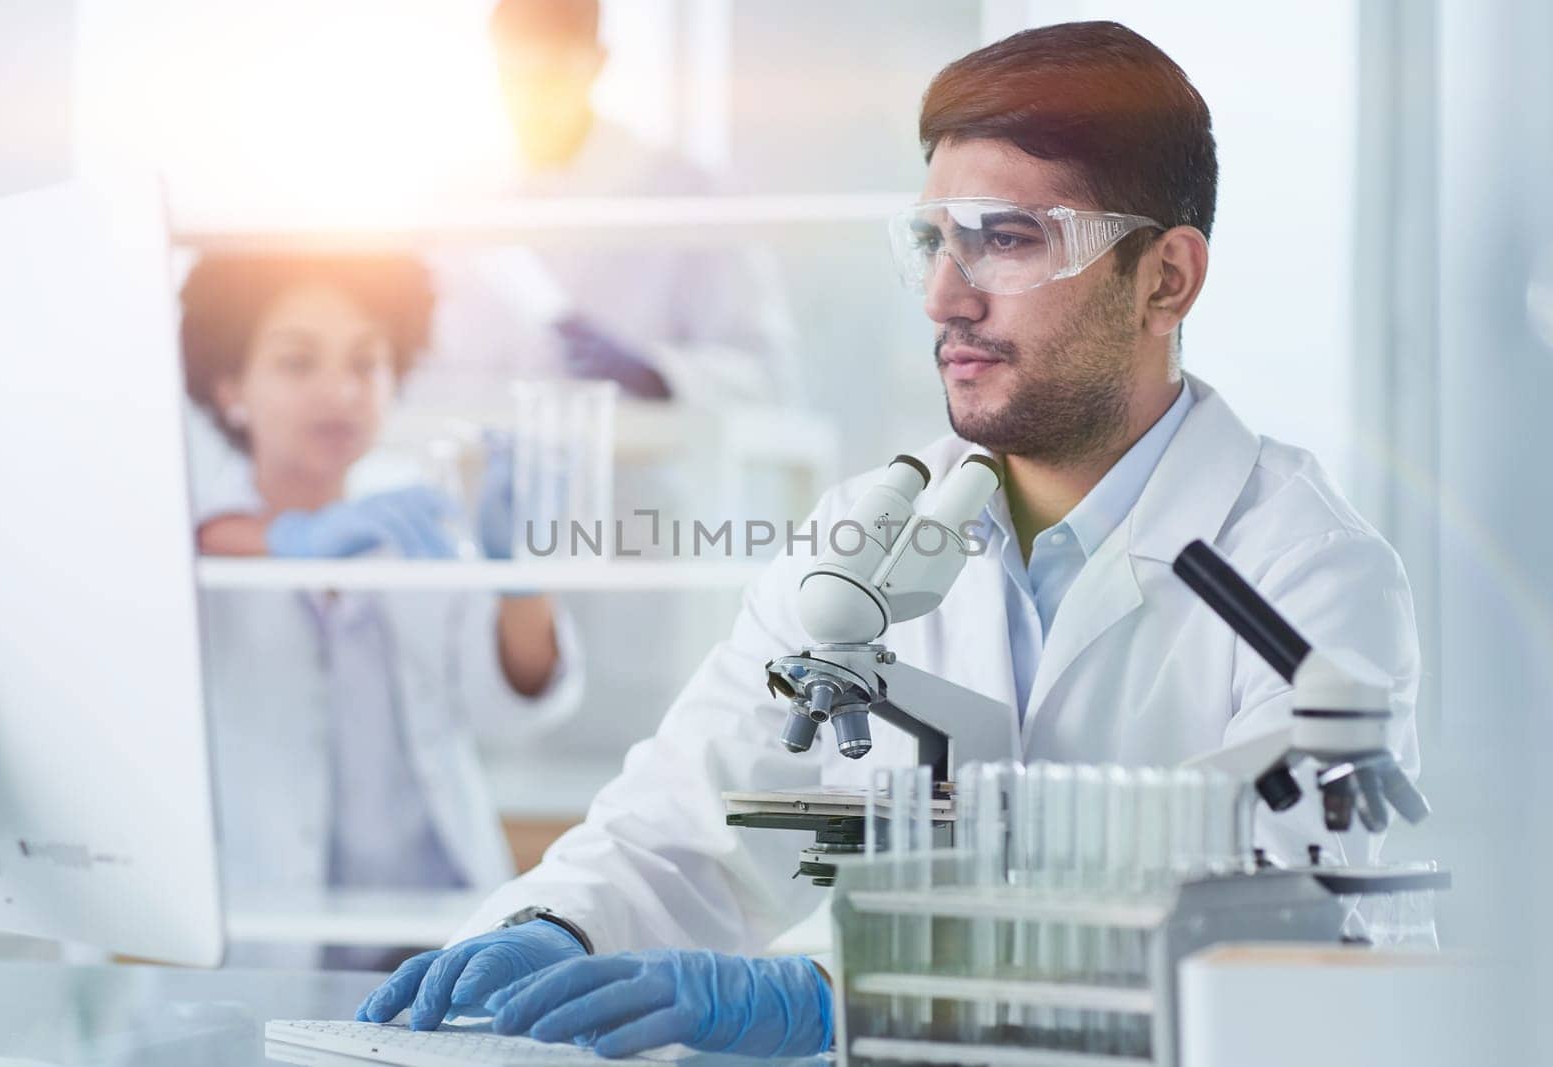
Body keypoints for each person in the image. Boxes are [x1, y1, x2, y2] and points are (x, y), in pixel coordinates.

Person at [356, 22, 1421, 1057]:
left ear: (1165, 278)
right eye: (932, 241)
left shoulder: (1305, 573)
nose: (944, 296)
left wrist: (834, 987)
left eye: (1007, 239)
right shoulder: (864, 539)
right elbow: (691, 815)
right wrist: (555, 925)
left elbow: (1271, 922)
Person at [180, 254, 584, 968]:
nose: (339, 390)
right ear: (229, 385)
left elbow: (510, 709)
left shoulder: (419, 524)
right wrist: (293, 541)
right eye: (297, 361)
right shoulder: (186, 532)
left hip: (440, 929)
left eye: (367, 361)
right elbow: (177, 555)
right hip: (267, 942)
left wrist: (525, 582)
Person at [406, 0, 797, 408]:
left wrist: (653, 373)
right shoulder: (466, 202)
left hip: (641, 467)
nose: (532, 97)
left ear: (598, 62)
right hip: (496, 462)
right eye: (516, 73)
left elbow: (769, 377)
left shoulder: (687, 192)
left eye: (552, 73)